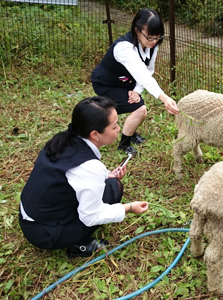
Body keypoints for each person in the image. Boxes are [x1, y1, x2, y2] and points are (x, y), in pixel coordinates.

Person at [19, 96, 149, 258]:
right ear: (95, 134)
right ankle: (78, 244)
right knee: (114, 189)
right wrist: (129, 207)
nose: (118, 129)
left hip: (32, 216)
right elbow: (90, 216)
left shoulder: (63, 140)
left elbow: (71, 177)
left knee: (111, 184)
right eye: (114, 126)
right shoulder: (88, 167)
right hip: (45, 233)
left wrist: (107, 175)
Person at [91, 8, 179, 156]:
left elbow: (148, 70)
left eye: (157, 37)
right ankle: (124, 144)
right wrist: (164, 97)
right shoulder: (124, 48)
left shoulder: (152, 45)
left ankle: (130, 133)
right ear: (137, 31)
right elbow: (143, 75)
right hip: (106, 83)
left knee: (138, 106)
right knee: (140, 109)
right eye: (149, 37)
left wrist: (137, 90)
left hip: (126, 82)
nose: (153, 42)